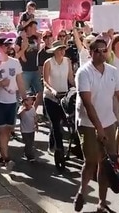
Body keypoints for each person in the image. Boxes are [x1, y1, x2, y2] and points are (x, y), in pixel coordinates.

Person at [73, 38, 119, 213]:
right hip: (87, 123)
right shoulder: (84, 73)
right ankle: (82, 191)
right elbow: (87, 102)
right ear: (91, 52)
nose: (101, 54)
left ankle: (102, 201)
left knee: (106, 163)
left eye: (103, 50)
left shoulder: (113, 71)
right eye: (97, 51)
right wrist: (98, 128)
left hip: (109, 121)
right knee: (91, 161)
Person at [0, 38, 25, 171]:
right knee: (1, 131)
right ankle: (6, 158)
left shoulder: (15, 62)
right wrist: (1, 84)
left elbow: (20, 82)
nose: (10, 47)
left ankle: (2, 153)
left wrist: (25, 99)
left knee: (7, 131)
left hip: (12, 102)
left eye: (10, 44)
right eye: (6, 45)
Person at [42, 40, 75, 169]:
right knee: (56, 124)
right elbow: (45, 81)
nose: (62, 51)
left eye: (63, 49)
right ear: (54, 51)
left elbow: (71, 78)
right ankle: (59, 149)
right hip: (51, 97)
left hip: (64, 96)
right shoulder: (48, 63)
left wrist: (75, 88)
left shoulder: (67, 61)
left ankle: (54, 144)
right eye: (59, 49)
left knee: (63, 122)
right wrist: (53, 90)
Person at [18, 90, 38, 161]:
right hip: (24, 130)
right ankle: (29, 155)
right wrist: (24, 109)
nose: (30, 102)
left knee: (31, 142)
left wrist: (36, 125)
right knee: (28, 142)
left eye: (31, 100)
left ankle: (26, 152)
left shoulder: (33, 108)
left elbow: (35, 117)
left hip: (31, 129)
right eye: (28, 100)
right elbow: (20, 116)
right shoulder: (21, 108)